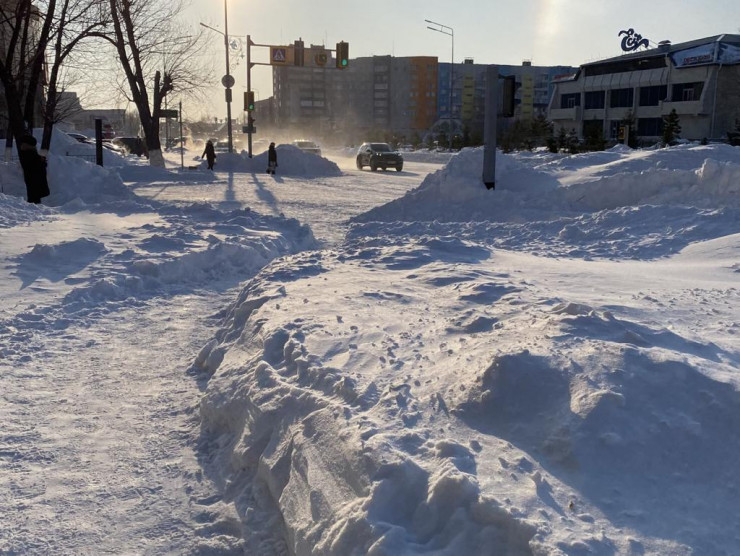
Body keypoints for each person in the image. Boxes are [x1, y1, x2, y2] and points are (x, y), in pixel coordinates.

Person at [17, 134, 49, 204]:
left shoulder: (29, 153)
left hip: (34, 178)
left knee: (34, 197)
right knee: (34, 198)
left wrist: (41, 160)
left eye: (23, 144)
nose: (21, 146)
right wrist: (41, 161)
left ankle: (34, 208)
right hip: (33, 178)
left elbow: (35, 164)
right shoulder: (28, 154)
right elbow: (33, 164)